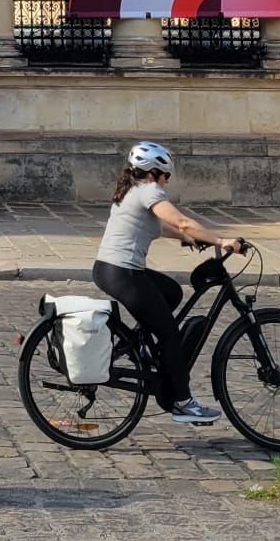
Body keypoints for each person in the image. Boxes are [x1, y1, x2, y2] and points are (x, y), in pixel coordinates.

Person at [90, 140, 246, 424]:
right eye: (166, 176)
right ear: (154, 173)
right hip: (124, 273)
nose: (166, 183)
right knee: (170, 335)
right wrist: (221, 240)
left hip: (109, 269)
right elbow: (182, 221)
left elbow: (158, 226)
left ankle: (142, 346)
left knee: (171, 292)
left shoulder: (132, 190)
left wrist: (188, 239)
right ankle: (183, 402)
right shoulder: (149, 190)